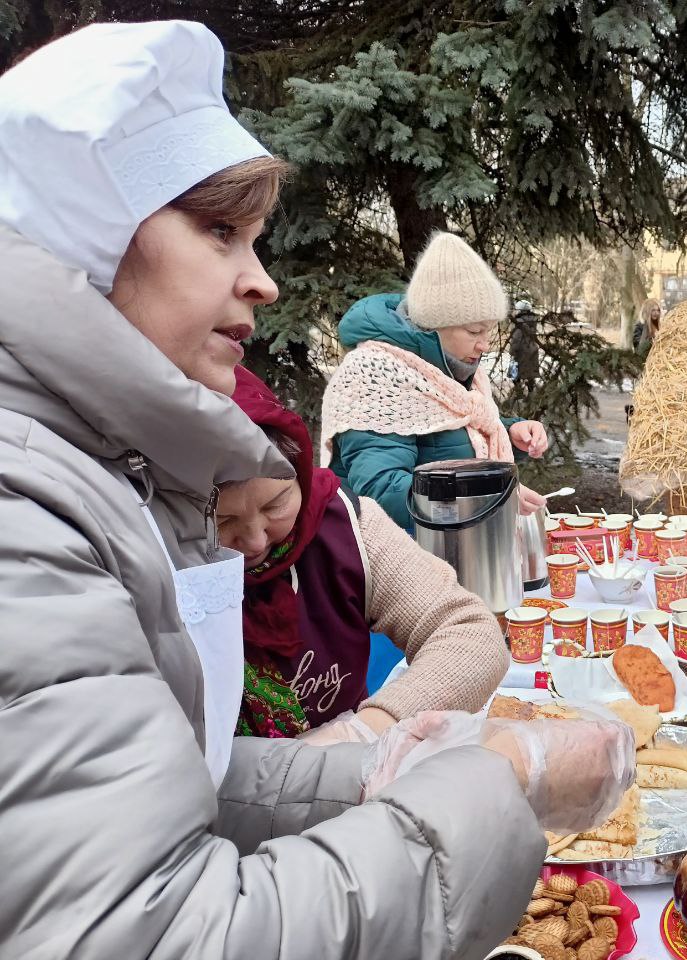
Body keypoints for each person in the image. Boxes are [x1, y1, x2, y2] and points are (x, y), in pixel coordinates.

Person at [0, 21, 629, 958]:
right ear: (91, 233)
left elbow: (186, 797)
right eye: (219, 231)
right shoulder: (29, 516)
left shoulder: (110, 485)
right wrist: (496, 771)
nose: (263, 281)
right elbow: (160, 928)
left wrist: (382, 764)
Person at [219, 365, 508, 740]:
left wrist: (367, 731)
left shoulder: (345, 526)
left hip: (351, 776)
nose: (256, 541)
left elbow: (470, 633)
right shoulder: (152, 561)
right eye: (223, 521)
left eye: (275, 505)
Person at [321, 233, 549, 528]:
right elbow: (382, 491)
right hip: (400, 560)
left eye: (489, 331)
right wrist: (488, 497)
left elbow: (444, 432)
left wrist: (509, 431)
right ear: (434, 325)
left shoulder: (451, 368)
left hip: (450, 543)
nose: (485, 345)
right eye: (474, 331)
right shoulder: (376, 376)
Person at [509, 299, 540, 383]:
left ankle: (518, 392)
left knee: (516, 374)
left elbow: (516, 338)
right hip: (533, 349)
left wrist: (512, 351)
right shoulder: (534, 321)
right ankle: (531, 393)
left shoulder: (518, 323)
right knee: (530, 375)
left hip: (521, 351)